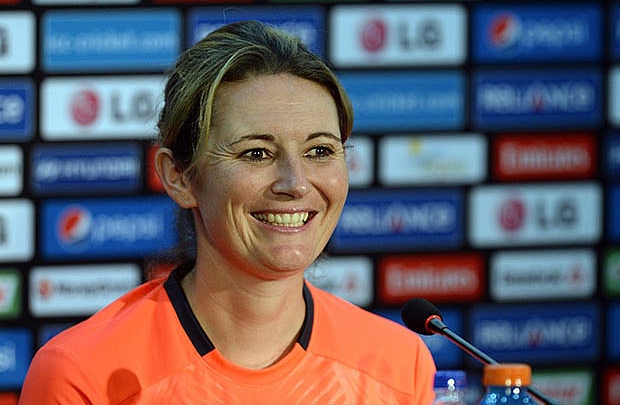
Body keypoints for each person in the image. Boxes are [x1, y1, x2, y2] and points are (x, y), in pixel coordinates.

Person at [19, 20, 436, 404]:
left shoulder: (402, 364)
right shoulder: (82, 374)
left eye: (320, 151)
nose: (295, 183)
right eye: (257, 153)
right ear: (179, 177)